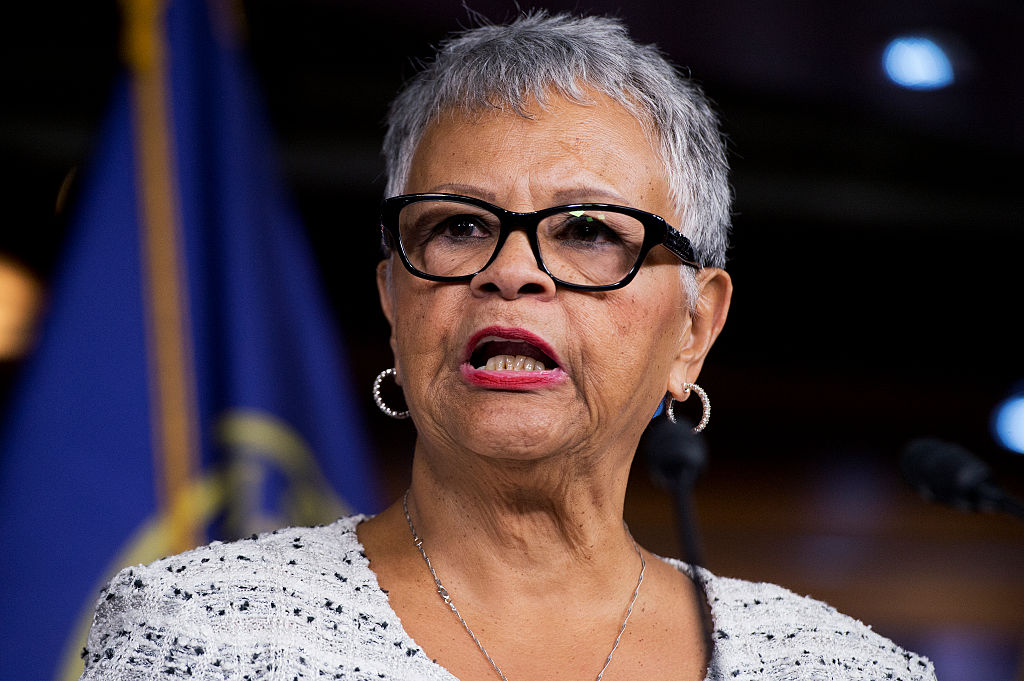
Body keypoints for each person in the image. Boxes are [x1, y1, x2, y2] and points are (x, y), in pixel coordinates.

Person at [79, 12, 936, 681]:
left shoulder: (843, 666)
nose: (514, 272)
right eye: (460, 225)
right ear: (393, 298)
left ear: (695, 329)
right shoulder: (196, 630)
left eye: (589, 231)